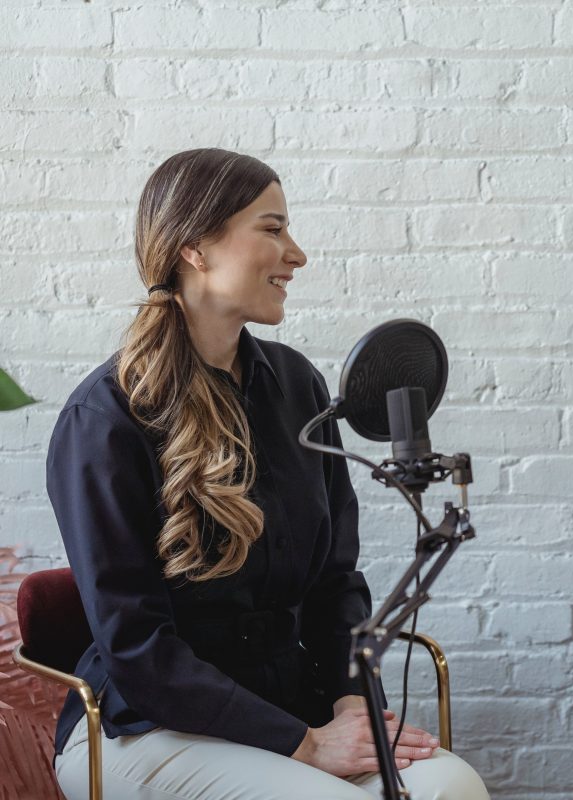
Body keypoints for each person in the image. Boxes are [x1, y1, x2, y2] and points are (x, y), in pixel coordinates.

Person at [46, 148, 489, 800]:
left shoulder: (296, 387)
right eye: (273, 228)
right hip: (149, 731)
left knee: (452, 785)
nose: (298, 254)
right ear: (195, 246)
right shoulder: (104, 418)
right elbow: (137, 648)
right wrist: (305, 745)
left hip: (292, 706)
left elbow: (335, 581)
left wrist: (345, 702)